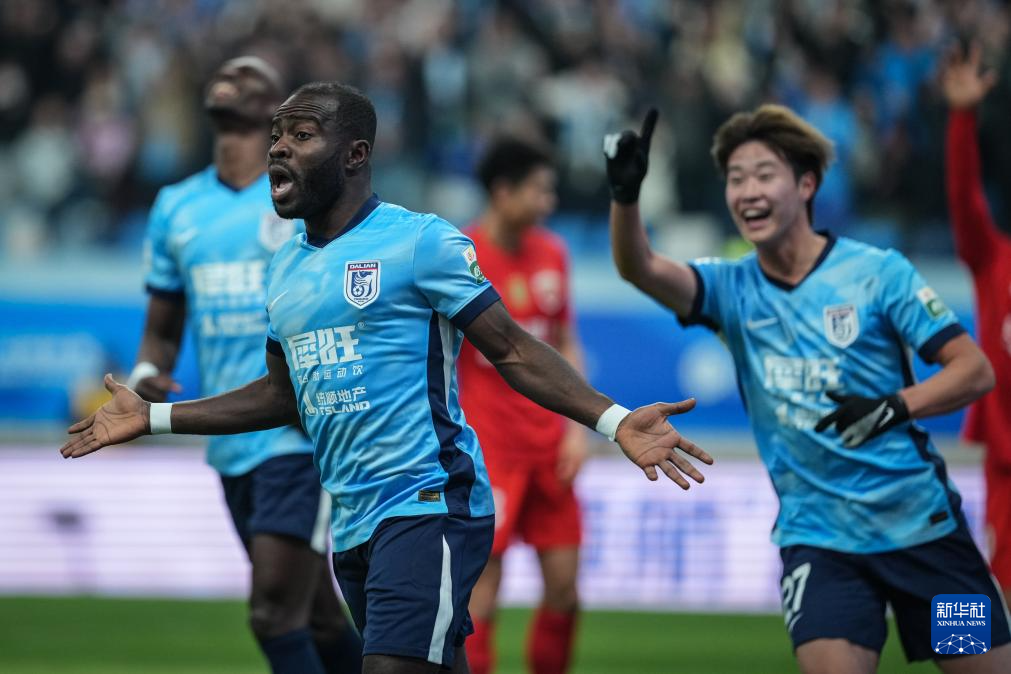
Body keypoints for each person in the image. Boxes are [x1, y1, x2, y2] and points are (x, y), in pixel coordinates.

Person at [61, 81, 713, 674]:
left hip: (429, 502)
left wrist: (612, 420)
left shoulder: (420, 242)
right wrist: (153, 416)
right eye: (277, 135)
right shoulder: (284, 269)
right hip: (352, 522)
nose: (278, 148)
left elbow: (512, 349)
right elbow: (281, 396)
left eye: (302, 134)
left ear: (355, 155)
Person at [604, 104, 1011, 673]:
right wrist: (626, 197)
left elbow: (974, 369)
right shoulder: (730, 287)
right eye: (736, 179)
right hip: (822, 546)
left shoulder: (878, 273)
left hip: (925, 535)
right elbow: (639, 268)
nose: (748, 191)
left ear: (806, 184)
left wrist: (893, 407)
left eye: (763, 174)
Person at [126, 58, 362, 674]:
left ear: (274, 111)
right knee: (316, 615)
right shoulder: (176, 206)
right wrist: (147, 373)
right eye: (227, 68)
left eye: (251, 72)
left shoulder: (299, 195)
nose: (231, 72)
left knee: (272, 615)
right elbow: (162, 326)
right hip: (229, 436)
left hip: (296, 435)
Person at [459, 138, 584, 674]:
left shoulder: (552, 252)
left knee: (565, 590)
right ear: (503, 192)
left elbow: (566, 340)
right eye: (539, 190)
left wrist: (577, 427)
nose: (548, 202)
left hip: (550, 447)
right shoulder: (460, 255)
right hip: (490, 451)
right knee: (482, 592)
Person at [941, 42, 1011, 608]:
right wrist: (962, 119)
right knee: (977, 601)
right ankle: (959, 651)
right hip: (1006, 469)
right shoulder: (995, 259)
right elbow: (964, 201)